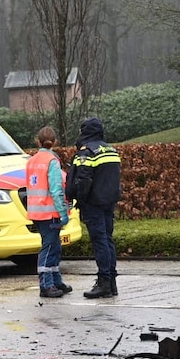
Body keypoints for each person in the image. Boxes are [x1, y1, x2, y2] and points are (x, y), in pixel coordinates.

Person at [66, 117, 122, 298]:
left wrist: (80, 201)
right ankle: (111, 282)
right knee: (107, 239)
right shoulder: (112, 150)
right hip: (109, 202)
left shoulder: (87, 152)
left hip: (93, 204)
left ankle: (104, 282)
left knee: (100, 242)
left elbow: (82, 180)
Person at [25, 126, 72, 298]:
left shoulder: (31, 161)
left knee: (54, 246)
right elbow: (56, 189)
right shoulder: (52, 161)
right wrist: (63, 212)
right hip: (49, 212)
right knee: (49, 248)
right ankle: (46, 285)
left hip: (36, 212)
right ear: (55, 142)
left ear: (38, 141)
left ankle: (55, 280)